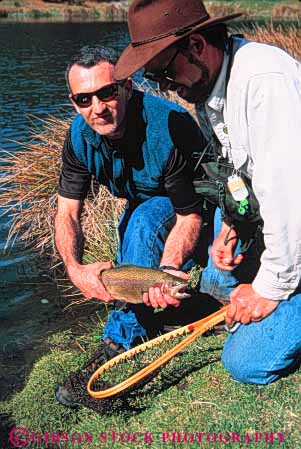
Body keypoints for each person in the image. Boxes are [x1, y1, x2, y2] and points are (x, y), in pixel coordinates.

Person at [114, 0, 301, 385]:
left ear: (197, 45)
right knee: (217, 285)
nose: (167, 89)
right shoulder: (207, 86)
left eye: (166, 73)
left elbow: (288, 196)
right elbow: (239, 174)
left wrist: (270, 289)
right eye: (157, 81)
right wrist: (230, 226)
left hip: (293, 216)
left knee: (246, 362)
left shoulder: (265, 81)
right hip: (279, 220)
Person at [54, 44, 219, 368]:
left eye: (107, 93)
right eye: (84, 99)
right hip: (149, 204)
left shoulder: (168, 126)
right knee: (135, 226)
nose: (97, 108)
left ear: (127, 87)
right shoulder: (78, 138)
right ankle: (143, 320)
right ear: (74, 103)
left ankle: (121, 343)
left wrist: (167, 270)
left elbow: (189, 214)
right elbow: (67, 213)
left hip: (205, 210)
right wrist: (75, 270)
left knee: (143, 221)